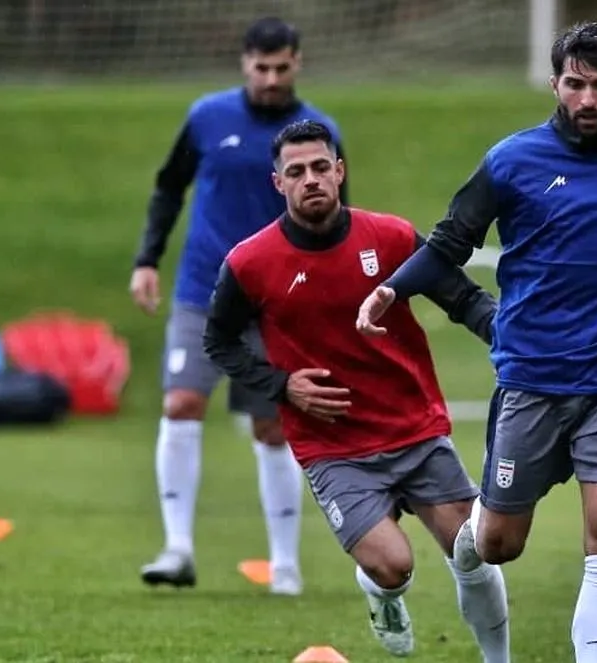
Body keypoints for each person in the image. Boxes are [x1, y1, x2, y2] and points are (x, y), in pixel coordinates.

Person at [356, 21, 597, 663]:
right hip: (533, 377)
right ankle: (468, 546)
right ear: (554, 84)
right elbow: (451, 241)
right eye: (575, 84)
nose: (587, 99)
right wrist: (391, 290)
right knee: (499, 544)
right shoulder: (511, 161)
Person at [203, 119, 510, 661]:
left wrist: (512, 338)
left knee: (474, 550)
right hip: (333, 448)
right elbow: (219, 342)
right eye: (296, 172)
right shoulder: (250, 263)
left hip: (415, 430)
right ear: (278, 183)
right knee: (394, 566)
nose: (310, 179)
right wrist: (282, 385)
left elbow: (462, 297)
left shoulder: (390, 238)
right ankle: (382, 593)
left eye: (320, 167)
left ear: (339, 171)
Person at [130, 17, 347, 595]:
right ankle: (177, 548)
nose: (271, 79)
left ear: (297, 63)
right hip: (203, 290)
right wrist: (147, 259)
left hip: (277, 301)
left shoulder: (318, 133)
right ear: (245, 63)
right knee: (181, 402)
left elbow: (334, 222)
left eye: (281, 68)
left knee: (273, 425)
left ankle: (285, 566)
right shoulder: (207, 117)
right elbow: (169, 187)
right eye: (261, 67)